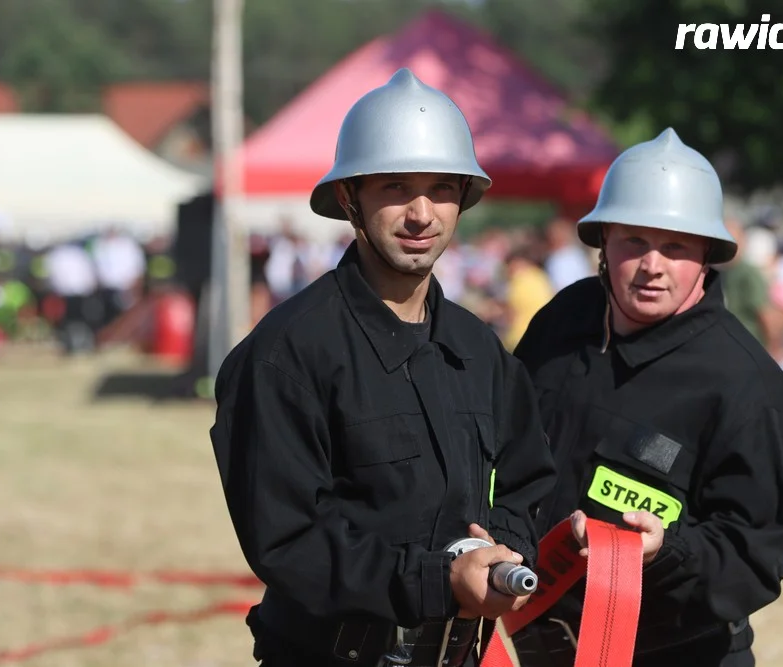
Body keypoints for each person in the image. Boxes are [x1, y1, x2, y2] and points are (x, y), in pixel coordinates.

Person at [209, 68, 557, 667]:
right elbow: (289, 541)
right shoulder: (284, 355)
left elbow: (530, 478)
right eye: (395, 187)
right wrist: (438, 581)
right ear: (349, 198)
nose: (421, 213)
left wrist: (504, 550)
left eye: (441, 188)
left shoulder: (480, 350)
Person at [510, 128, 783, 667]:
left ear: (706, 256)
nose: (653, 266)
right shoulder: (563, 320)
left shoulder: (752, 391)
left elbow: (755, 561)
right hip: (531, 645)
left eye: (674, 246)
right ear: (604, 242)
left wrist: (666, 553)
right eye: (635, 242)